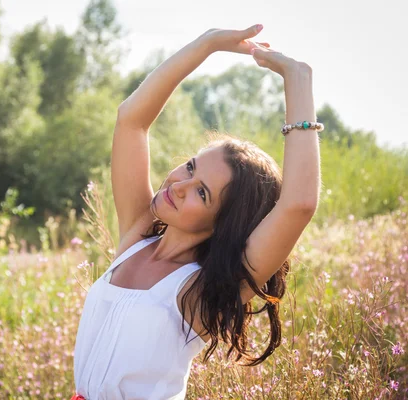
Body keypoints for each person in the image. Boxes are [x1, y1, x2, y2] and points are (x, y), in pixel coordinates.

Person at [72, 24, 322, 400]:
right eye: (190, 167)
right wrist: (206, 45)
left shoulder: (202, 290)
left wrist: (298, 79)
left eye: (202, 193)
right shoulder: (136, 239)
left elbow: (298, 204)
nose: (179, 185)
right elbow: (131, 120)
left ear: (224, 224)